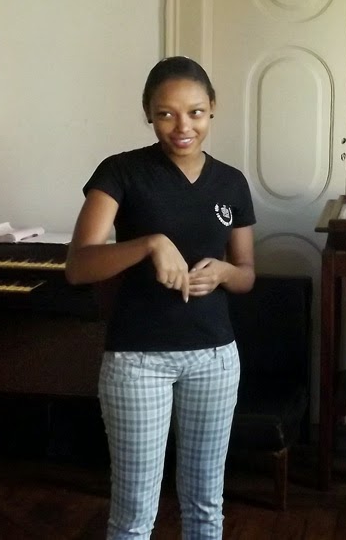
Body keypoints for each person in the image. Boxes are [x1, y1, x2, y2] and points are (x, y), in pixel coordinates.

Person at [65, 56, 256, 539]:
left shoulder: (231, 182)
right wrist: (148, 244)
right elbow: (78, 265)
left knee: (205, 507)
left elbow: (247, 275)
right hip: (138, 361)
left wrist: (225, 272)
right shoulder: (121, 172)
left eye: (195, 112)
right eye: (166, 113)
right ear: (148, 113)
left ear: (213, 108)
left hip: (215, 357)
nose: (182, 126)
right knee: (133, 517)